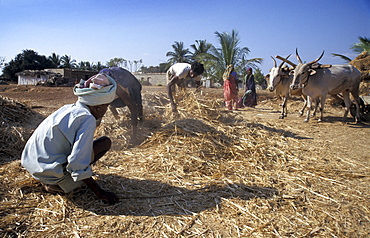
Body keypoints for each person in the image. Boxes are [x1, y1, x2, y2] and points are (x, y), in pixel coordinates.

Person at [21, 73, 119, 205]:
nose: (106, 111)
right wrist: (100, 192)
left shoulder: (68, 108)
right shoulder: (87, 119)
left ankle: (53, 178)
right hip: (49, 173)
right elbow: (77, 162)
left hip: (33, 164)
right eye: (106, 107)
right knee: (102, 145)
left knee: (102, 143)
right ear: (97, 107)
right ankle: (58, 184)